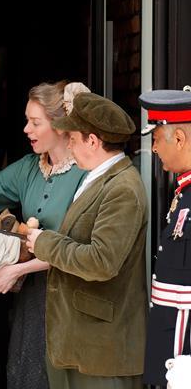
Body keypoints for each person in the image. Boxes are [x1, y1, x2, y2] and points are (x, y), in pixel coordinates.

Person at [0, 81, 89, 389]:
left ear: (59, 125)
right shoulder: (28, 168)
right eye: (27, 120)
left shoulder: (87, 172)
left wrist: (18, 269)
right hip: (33, 300)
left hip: (73, 298)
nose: (27, 129)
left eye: (35, 122)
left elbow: (83, 247)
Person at [26, 92, 148, 389]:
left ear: (92, 141)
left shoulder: (123, 188)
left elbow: (101, 262)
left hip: (102, 352)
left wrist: (44, 243)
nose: (68, 144)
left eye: (72, 138)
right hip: (80, 344)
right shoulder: (98, 177)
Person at [139, 87, 191, 388]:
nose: (154, 149)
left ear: (179, 139)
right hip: (173, 340)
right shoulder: (184, 191)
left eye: (157, 139)